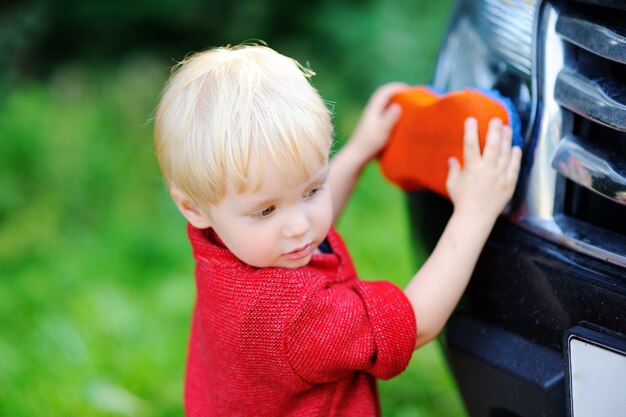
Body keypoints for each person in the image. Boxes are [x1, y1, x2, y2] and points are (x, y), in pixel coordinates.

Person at [153, 44, 522, 417]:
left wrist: (360, 150)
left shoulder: (224, 245)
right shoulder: (293, 317)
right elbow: (416, 322)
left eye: (313, 189)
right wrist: (475, 211)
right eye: (266, 210)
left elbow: (310, 221)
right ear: (192, 207)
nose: (300, 226)